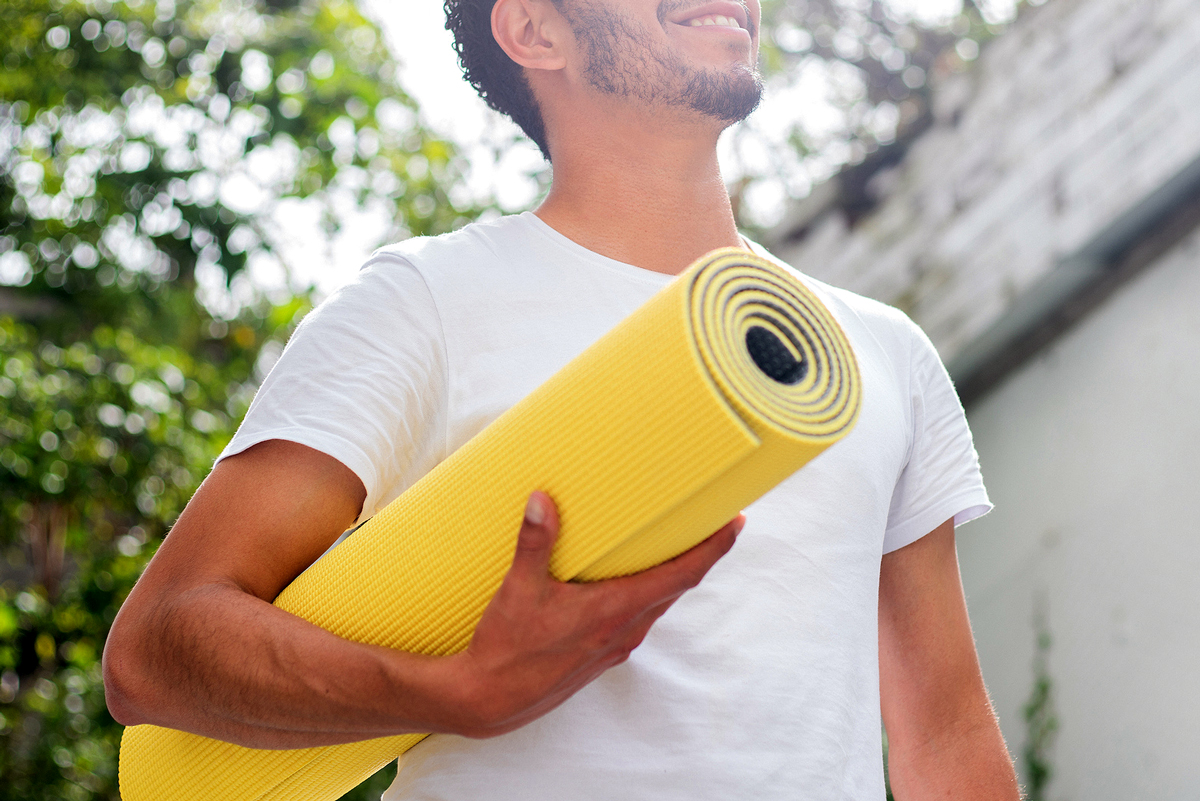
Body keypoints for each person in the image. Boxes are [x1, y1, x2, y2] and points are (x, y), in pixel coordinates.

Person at [103, 0, 1021, 798]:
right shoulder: (425, 301)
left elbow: (943, 734)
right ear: (534, 29)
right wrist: (456, 690)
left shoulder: (881, 353)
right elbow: (155, 649)